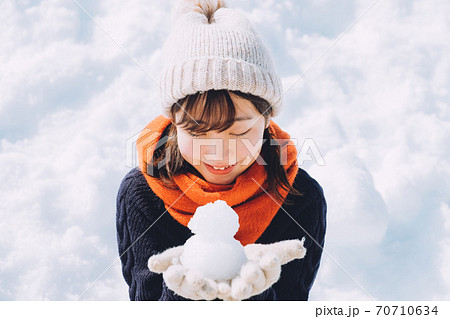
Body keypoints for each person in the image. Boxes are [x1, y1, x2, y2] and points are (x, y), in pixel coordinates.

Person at [116, 0, 326, 301]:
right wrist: (184, 294)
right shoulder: (144, 195)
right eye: (197, 131)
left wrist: (252, 292)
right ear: (174, 122)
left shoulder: (299, 198)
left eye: (240, 132)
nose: (220, 154)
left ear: (267, 119)